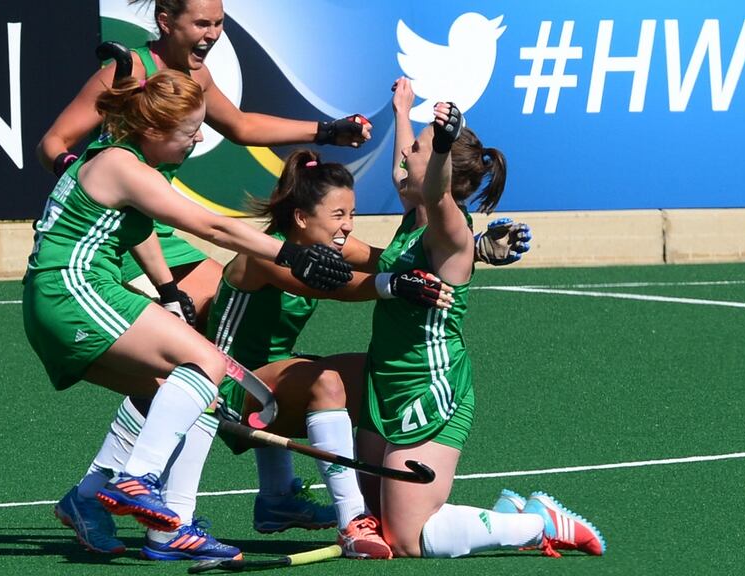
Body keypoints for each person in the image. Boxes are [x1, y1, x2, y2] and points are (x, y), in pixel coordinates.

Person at [23, 68, 353, 559]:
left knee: (192, 396)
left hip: (61, 298)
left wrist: (169, 291)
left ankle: (155, 522)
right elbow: (212, 227)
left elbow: (137, 229)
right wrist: (290, 254)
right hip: (73, 290)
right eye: (190, 130)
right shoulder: (123, 166)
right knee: (208, 363)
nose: (199, 138)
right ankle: (138, 478)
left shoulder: (133, 161)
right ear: (152, 129)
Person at [352, 77, 606, 559]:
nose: (406, 153)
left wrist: (440, 145)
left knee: (406, 540)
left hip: (429, 387)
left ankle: (536, 523)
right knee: (380, 520)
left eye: (418, 150)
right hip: (386, 381)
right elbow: (409, 176)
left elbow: (436, 192)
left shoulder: (448, 230)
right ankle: (508, 511)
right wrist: (403, 110)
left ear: (441, 171)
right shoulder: (415, 213)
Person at [37, 0, 372, 327]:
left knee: (222, 308)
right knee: (184, 327)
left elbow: (241, 126)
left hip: (155, 233)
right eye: (201, 24)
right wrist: (85, 178)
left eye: (218, 23)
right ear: (166, 22)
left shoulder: (197, 77)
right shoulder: (130, 71)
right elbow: (52, 144)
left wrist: (327, 131)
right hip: (110, 233)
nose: (213, 34)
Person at [206, 148, 453, 560]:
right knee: (327, 382)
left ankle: (287, 501)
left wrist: (471, 248)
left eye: (352, 214)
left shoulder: (327, 243)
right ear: (302, 218)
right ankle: (352, 521)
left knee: (377, 373)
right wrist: (394, 285)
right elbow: (334, 287)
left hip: (269, 382)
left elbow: (391, 261)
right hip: (224, 389)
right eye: (338, 215)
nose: (348, 226)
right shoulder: (265, 254)